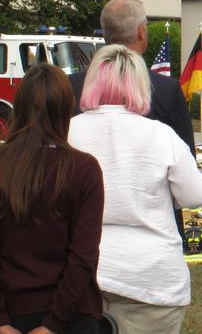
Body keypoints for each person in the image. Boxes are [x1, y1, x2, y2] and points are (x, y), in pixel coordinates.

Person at [68, 45, 202, 334]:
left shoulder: (66, 131)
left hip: (80, 273)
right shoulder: (160, 134)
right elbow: (195, 195)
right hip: (151, 279)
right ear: (141, 84)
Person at [0, 64, 104, 334]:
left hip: (37, 315)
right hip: (70, 317)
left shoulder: (81, 169)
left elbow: (82, 256)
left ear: (18, 107)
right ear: (66, 109)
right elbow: (84, 257)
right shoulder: (84, 169)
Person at [70, 0, 194, 151]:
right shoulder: (166, 90)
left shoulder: (70, 86)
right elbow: (186, 157)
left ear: (105, 33)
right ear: (142, 32)